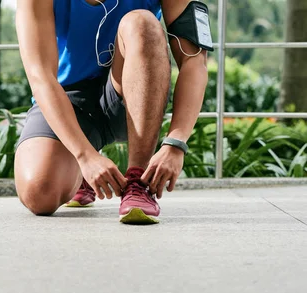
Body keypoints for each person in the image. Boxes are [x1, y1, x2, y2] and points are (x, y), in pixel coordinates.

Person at [14, 0, 211, 223]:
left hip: (134, 96)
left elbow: (194, 63)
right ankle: (80, 174)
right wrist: (85, 156)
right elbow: (41, 77)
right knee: (39, 193)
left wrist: (176, 143)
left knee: (142, 22)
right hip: (67, 100)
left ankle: (138, 182)